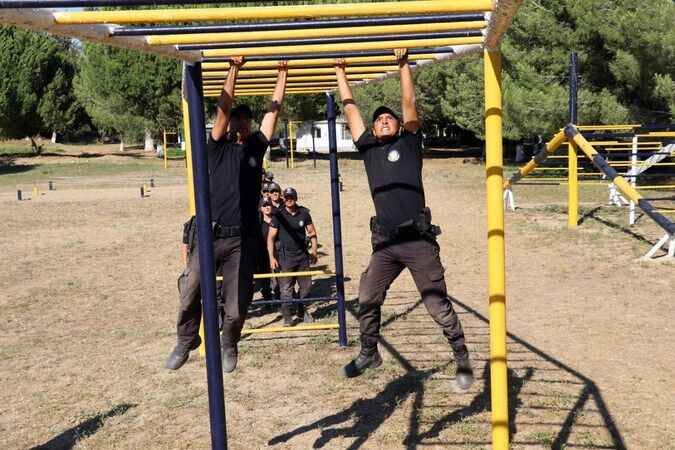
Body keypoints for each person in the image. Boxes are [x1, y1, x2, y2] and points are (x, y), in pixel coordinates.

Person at [334, 49, 474, 390]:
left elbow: (408, 102)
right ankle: (369, 352)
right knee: (367, 296)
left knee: (436, 305)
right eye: (378, 119)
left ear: (399, 126)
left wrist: (403, 65)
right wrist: (340, 71)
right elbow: (350, 110)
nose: (383, 120)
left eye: (389, 118)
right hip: (385, 243)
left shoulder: (410, 144)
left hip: (417, 242)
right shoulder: (368, 149)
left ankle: (462, 358)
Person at [165, 56, 288, 372]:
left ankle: (229, 342)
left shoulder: (255, 148)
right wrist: (233, 70)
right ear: (229, 124)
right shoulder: (216, 147)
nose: (241, 123)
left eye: (246, 120)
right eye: (236, 119)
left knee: (236, 303)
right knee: (190, 289)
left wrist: (282, 73)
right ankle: (186, 339)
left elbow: (272, 115)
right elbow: (221, 110)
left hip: (240, 240)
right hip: (209, 234)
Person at [267, 187, 319, 326]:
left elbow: (312, 233)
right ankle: (287, 316)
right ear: (284, 199)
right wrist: (272, 258)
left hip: (302, 256)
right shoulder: (278, 215)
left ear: (295, 198)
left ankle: (302, 311)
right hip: (285, 257)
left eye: (291, 197)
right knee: (286, 289)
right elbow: (270, 238)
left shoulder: (304, 213)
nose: (289, 200)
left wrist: (314, 251)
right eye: (287, 197)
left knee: (306, 287)